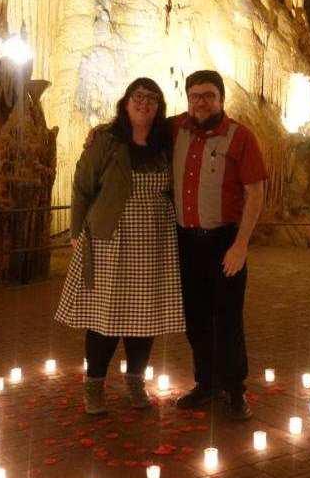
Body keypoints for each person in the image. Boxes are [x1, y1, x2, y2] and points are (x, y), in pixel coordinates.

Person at [56, 77, 185, 415]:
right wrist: (76, 230)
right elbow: (82, 185)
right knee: (105, 317)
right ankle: (94, 387)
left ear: (159, 107)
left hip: (155, 240)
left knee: (145, 317)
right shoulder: (106, 140)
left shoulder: (166, 141)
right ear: (125, 102)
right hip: (111, 239)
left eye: (152, 98)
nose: (144, 103)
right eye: (137, 96)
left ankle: (135, 382)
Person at [171, 69, 267, 420]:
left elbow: (255, 192)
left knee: (227, 317)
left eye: (208, 95)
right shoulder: (175, 129)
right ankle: (206, 384)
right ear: (188, 99)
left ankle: (234, 389)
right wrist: (100, 133)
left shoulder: (240, 136)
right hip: (186, 241)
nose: (201, 102)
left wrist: (241, 245)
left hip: (224, 241)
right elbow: (135, 127)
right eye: (195, 95)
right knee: (196, 318)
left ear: (221, 99)